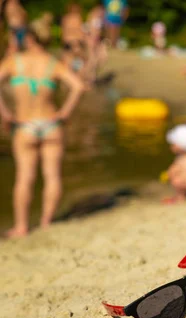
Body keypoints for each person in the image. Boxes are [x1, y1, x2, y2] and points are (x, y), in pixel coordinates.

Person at [0, 26, 85, 238]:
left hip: (25, 125)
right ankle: (47, 223)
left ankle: (21, 227)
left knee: (24, 177)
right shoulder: (53, 63)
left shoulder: (13, 62)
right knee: (52, 176)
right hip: (51, 125)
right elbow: (78, 87)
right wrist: (64, 112)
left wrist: (5, 113)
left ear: (28, 38)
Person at [84, 4, 107, 84]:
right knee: (92, 59)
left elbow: (100, 30)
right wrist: (90, 38)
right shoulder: (93, 16)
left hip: (98, 40)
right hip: (91, 39)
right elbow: (88, 28)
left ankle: (91, 77)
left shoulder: (101, 18)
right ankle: (86, 77)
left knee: (102, 58)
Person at [61, 3, 86, 76]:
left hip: (67, 42)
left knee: (66, 65)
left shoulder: (65, 18)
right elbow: (80, 32)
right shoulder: (77, 17)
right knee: (79, 64)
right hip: (76, 42)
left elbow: (64, 33)